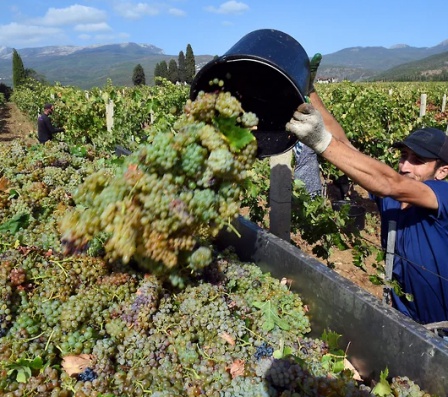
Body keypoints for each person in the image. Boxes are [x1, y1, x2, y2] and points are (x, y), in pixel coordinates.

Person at [286, 95, 448, 326]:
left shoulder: (443, 194)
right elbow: (345, 146)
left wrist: (321, 142)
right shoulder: (390, 200)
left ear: (442, 172)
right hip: (406, 323)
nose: (405, 167)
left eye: (418, 161)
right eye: (404, 157)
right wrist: (308, 90)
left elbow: (392, 183)